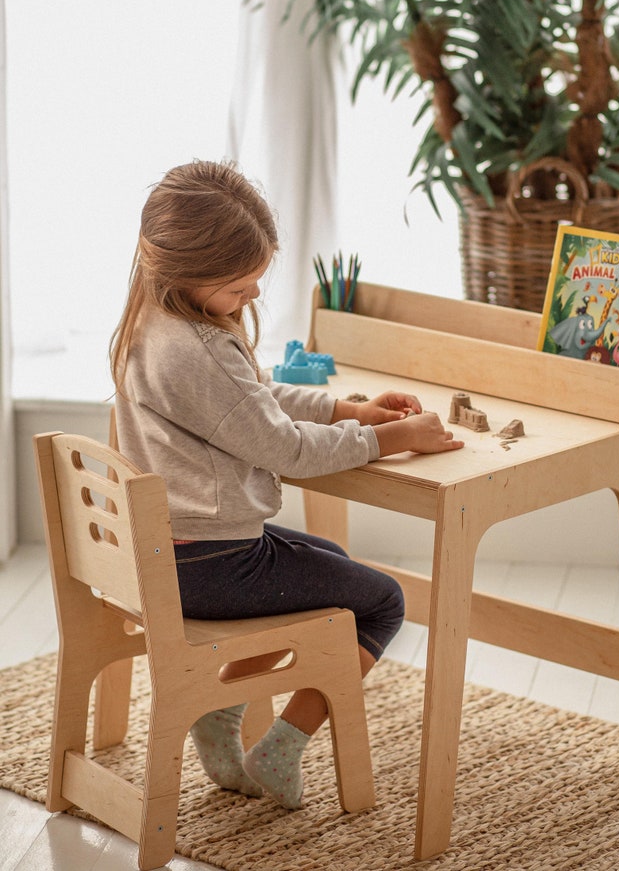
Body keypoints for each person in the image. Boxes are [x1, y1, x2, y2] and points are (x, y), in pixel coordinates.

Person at [109, 159, 464, 809]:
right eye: (240, 289)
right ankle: (281, 748)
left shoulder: (149, 326)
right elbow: (285, 449)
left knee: (330, 563)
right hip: (214, 563)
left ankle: (219, 715)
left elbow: (255, 398)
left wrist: (350, 410)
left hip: (175, 554)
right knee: (381, 600)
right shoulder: (200, 349)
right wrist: (392, 438)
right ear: (188, 272)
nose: (250, 300)